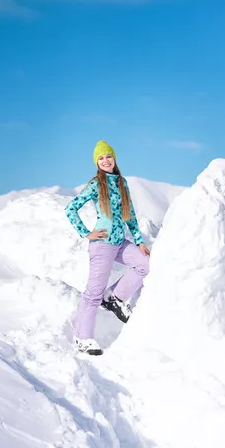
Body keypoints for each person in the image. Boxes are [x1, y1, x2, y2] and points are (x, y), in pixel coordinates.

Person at [65, 140, 150, 356]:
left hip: (120, 242)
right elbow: (70, 209)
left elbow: (129, 215)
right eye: (101, 158)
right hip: (102, 244)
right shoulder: (96, 184)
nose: (105, 160)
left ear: (114, 158)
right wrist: (87, 233)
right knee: (93, 293)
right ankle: (83, 338)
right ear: (97, 162)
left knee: (145, 264)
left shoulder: (122, 183)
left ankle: (114, 297)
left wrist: (139, 241)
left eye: (108, 156)